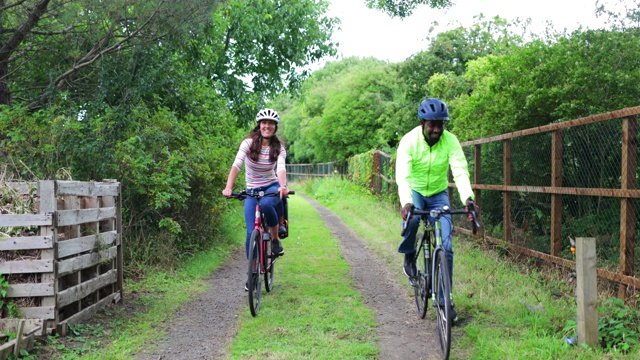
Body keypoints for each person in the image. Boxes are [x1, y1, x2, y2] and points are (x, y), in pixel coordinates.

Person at [395, 97, 474, 322]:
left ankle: (443, 300)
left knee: (446, 247)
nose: (437, 129)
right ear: (422, 123)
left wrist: (468, 198)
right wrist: (407, 203)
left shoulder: (451, 141)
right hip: (416, 192)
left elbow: (459, 170)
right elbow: (403, 175)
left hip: (439, 194)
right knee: (411, 220)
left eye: (441, 124)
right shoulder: (409, 142)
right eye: (432, 124)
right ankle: (409, 255)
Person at [222, 108, 289, 288]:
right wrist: (229, 187)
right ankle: (252, 272)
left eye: (270, 123)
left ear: (275, 127)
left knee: (267, 204)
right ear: (259, 125)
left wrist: (282, 186)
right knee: (251, 232)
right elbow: (236, 165)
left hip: (271, 186)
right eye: (264, 123)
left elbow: (281, 168)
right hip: (252, 189)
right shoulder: (248, 143)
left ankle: (274, 240)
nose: (267, 126)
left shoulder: (279, 148)